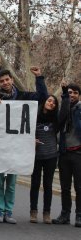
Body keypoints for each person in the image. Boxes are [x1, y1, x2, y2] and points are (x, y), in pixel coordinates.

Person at [0, 56, 48, 224]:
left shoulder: (23, 96)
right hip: (0, 148)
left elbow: (42, 97)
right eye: (1, 81)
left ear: (12, 80)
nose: (5, 83)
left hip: (15, 148)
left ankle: (9, 211)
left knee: (12, 183)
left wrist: (39, 78)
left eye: (7, 79)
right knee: (0, 182)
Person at [52, 82, 81, 227]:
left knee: (79, 186)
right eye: (70, 93)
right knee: (65, 187)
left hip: (78, 153)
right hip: (64, 153)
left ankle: (79, 216)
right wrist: (65, 99)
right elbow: (60, 119)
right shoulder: (63, 109)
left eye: (75, 93)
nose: (72, 95)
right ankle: (65, 214)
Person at [30, 95, 59, 223]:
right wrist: (32, 140)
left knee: (48, 185)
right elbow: (26, 133)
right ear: (44, 101)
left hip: (51, 156)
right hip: (36, 156)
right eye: (49, 100)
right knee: (35, 184)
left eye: (54, 102)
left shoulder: (56, 119)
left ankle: (47, 213)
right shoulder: (34, 116)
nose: (51, 103)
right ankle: (33, 211)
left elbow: (63, 112)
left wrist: (64, 92)